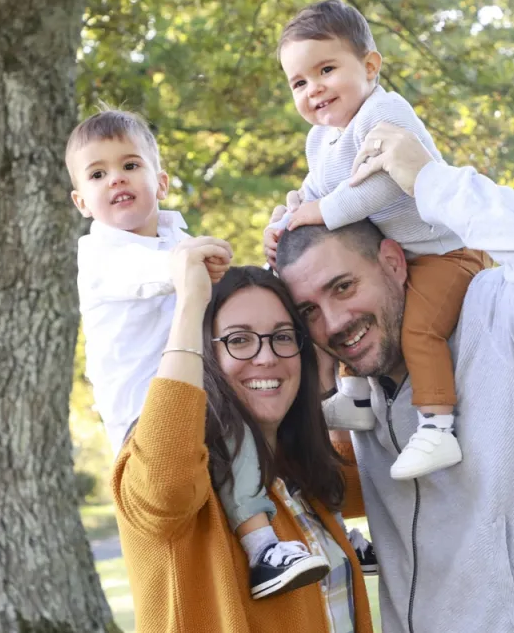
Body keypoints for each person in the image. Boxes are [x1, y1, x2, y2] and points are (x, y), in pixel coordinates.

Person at [271, 122, 514, 632]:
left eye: (343, 286)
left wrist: (431, 181)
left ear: (392, 262)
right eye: (308, 311)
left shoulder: (503, 317)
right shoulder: (357, 394)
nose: (334, 322)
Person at [66, 109, 328, 598]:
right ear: (82, 201)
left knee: (274, 429)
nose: (116, 179)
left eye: (130, 166)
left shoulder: (177, 241)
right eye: (98, 174)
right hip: (145, 414)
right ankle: (262, 547)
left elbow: (224, 291)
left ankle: (331, 536)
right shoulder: (100, 255)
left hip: (194, 389)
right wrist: (192, 262)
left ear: (160, 181)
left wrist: (272, 253)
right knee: (236, 434)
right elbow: (169, 274)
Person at [265, 0, 490, 481]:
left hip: (442, 250)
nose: (314, 88)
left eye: (326, 69)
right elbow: (314, 191)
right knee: (341, 309)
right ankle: (357, 398)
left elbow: (392, 180)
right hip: (397, 254)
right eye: (299, 82)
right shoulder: (321, 139)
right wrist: (284, 222)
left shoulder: (384, 112)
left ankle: (436, 427)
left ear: (369, 66)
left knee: (417, 330)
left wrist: (321, 210)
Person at [111, 258, 374, 632]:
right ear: (201, 351)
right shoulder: (176, 479)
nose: (265, 357)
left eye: (282, 336)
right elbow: (164, 486)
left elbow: (385, 482)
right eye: (238, 340)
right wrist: (189, 305)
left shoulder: (297, 476)